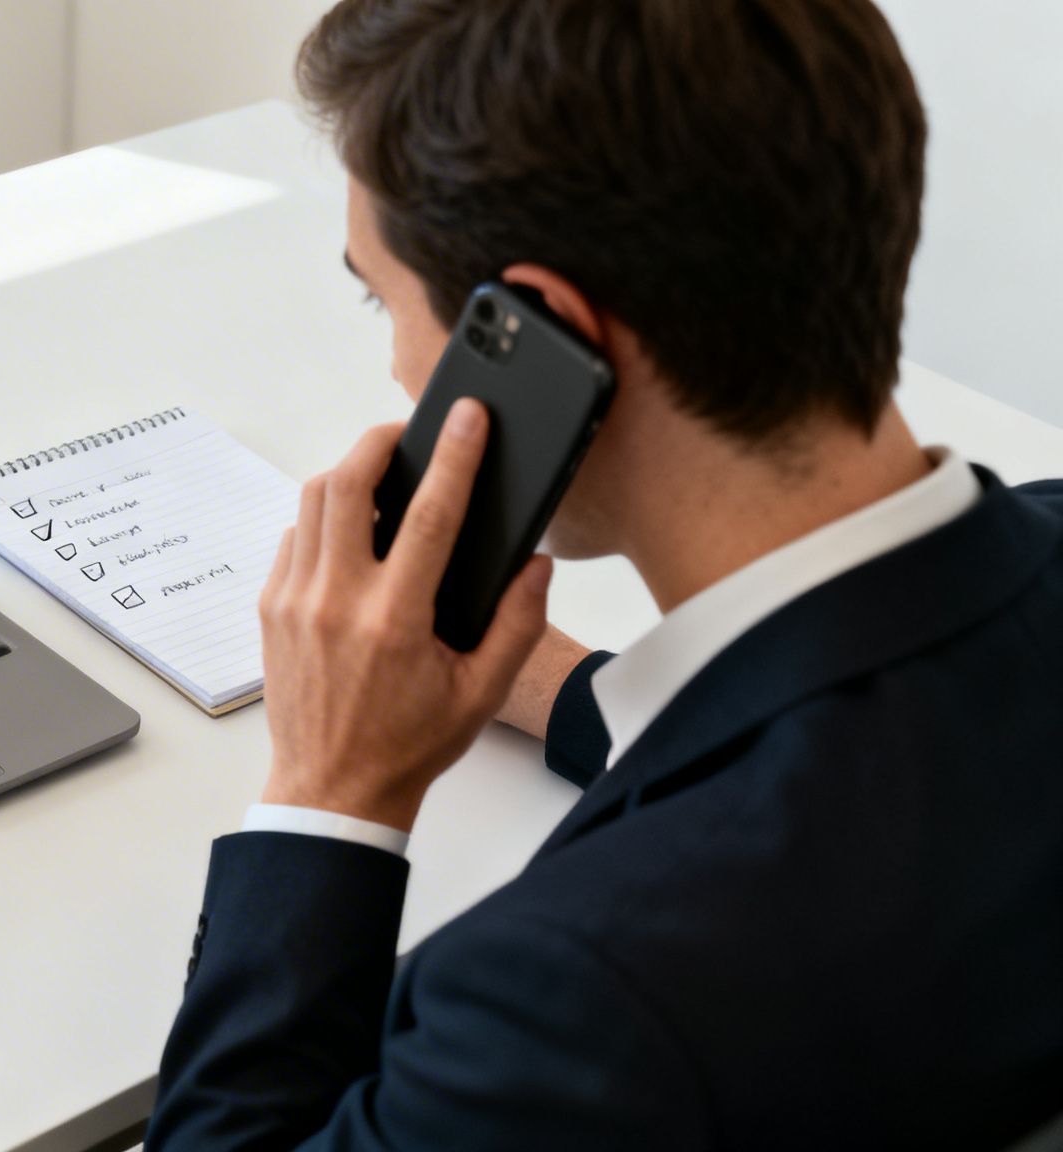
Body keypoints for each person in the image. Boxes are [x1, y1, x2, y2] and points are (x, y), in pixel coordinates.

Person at [147, 1, 1063, 1148]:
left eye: (382, 300)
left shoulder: (577, 1000)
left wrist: (325, 796)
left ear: (534, 334)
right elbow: (841, 722)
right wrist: (554, 678)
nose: (392, 364)